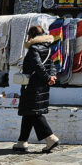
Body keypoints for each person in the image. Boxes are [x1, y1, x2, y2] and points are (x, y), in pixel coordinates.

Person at [13, 25, 60, 153]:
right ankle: (22, 142)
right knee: (29, 112)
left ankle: (51, 138)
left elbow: (38, 66)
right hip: (42, 86)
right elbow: (51, 64)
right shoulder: (47, 48)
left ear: (31, 35)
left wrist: (47, 78)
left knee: (34, 113)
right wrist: (52, 76)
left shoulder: (33, 48)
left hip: (32, 86)